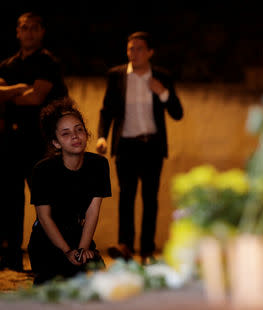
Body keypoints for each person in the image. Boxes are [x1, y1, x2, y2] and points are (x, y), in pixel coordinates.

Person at [96, 31, 183, 264]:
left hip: (152, 145)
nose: (134, 53)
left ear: (150, 52)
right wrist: (102, 136)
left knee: (150, 199)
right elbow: (107, 110)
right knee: (126, 197)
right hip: (125, 145)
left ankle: (146, 250)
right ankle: (125, 246)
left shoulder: (162, 76)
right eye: (130, 49)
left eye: (139, 48)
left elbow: (177, 113)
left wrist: (162, 92)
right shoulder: (116, 76)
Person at [0, 12, 68, 271]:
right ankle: (12, 257)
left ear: (42, 32)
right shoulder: (8, 64)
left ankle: (52, 256)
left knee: (46, 201)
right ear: (18, 32)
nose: (29, 32)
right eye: (24, 28)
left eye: (34, 28)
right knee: (10, 199)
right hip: (11, 141)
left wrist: (10, 92)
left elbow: (35, 98)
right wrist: (21, 88)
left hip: (42, 142)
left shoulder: (49, 62)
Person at [27, 97, 111, 285]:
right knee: (56, 287)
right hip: (47, 239)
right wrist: (67, 251)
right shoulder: (42, 170)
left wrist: (82, 249)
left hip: (78, 235)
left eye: (79, 129)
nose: (75, 136)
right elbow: (44, 217)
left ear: (86, 134)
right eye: (65, 134)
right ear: (56, 143)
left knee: (100, 281)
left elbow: (92, 212)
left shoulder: (99, 165)